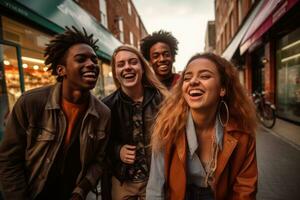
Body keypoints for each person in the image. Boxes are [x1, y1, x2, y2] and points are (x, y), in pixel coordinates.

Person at [0, 27, 111, 200]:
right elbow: (9, 160)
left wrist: (81, 190)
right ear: (61, 70)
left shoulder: (103, 113)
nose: (91, 64)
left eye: (94, 60)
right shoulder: (30, 103)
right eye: (81, 59)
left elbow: (99, 161)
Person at [146, 53, 258, 200]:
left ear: (222, 89)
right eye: (187, 78)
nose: (193, 82)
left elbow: (245, 190)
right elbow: (155, 188)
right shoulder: (167, 129)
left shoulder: (242, 134)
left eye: (204, 76)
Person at [102, 45, 167, 200]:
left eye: (133, 62)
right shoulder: (106, 106)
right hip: (123, 182)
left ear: (142, 68)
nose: (127, 67)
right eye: (121, 64)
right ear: (115, 73)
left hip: (156, 180)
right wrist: (118, 150)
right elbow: (100, 146)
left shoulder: (162, 99)